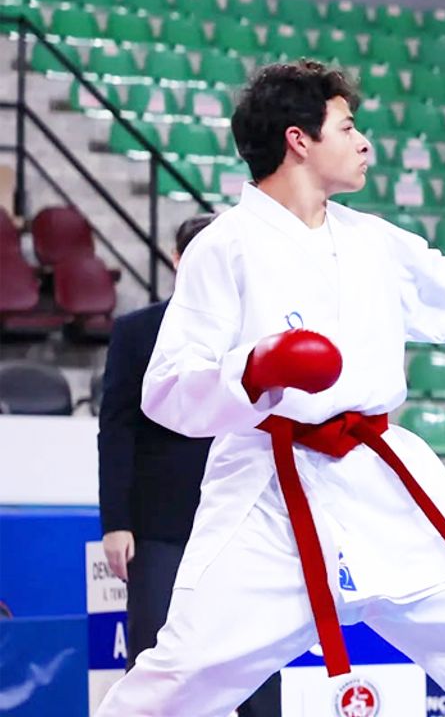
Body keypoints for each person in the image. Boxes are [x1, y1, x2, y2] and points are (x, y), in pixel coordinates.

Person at [95, 59, 445, 717]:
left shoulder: (374, 243)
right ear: (298, 140)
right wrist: (254, 370)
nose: (364, 142)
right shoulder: (224, 246)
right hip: (270, 497)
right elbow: (167, 389)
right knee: (180, 678)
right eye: (347, 127)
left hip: (379, 485)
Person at [98, 214, 281, 714]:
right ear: (179, 260)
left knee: (255, 659)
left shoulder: (261, 334)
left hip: (244, 519)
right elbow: (116, 430)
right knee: (156, 661)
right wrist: (116, 523)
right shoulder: (137, 331)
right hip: (160, 524)